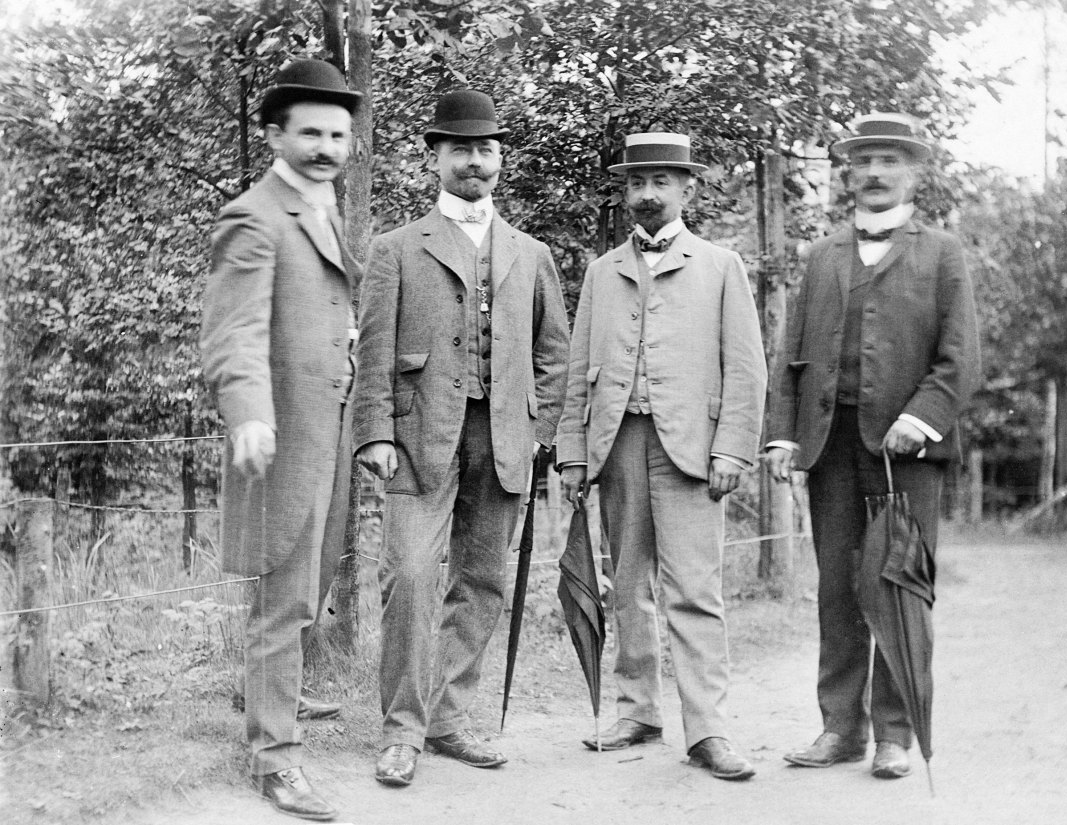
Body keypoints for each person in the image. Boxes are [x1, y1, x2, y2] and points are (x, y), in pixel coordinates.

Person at [353, 89, 570, 788]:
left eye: (486, 150)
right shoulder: (395, 249)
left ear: (499, 159)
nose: (475, 162)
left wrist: (541, 431)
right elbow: (374, 350)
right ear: (435, 159)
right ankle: (401, 730)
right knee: (411, 576)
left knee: (481, 580)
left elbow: (554, 354)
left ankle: (450, 720)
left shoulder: (531, 254)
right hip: (418, 437)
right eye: (461, 150)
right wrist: (374, 434)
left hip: (504, 439)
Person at [764, 112, 980, 780]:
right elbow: (792, 356)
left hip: (906, 453)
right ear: (848, 175)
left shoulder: (941, 252)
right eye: (865, 161)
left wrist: (923, 417)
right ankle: (839, 726)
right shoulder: (823, 255)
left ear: (915, 172)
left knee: (900, 585)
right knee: (835, 587)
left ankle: (895, 732)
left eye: (891, 160)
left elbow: (961, 358)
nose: (877, 173)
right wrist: (780, 434)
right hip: (830, 448)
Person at [557, 132, 767, 781]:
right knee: (626, 584)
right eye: (637, 182)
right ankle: (638, 709)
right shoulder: (601, 271)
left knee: (695, 591)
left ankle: (707, 728)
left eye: (661, 182)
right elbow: (576, 371)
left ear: (688, 189)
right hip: (618, 443)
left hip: (693, 452)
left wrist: (733, 447)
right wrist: (572, 454)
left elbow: (747, 369)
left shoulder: (721, 265)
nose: (648, 193)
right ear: (626, 191)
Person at [199, 58, 361, 821]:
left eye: (338, 134)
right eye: (312, 132)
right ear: (275, 134)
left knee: (302, 596)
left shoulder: (319, 208)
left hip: (325, 434)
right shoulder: (254, 215)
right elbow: (233, 334)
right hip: (280, 439)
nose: (327, 146)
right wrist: (249, 415)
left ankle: (278, 704)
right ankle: (273, 760)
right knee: (281, 601)